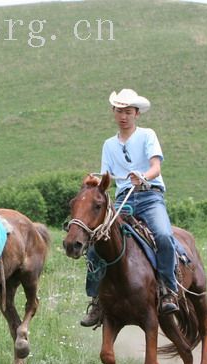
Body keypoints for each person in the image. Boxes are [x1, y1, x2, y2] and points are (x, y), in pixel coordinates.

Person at [81, 89, 179, 327]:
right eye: (119, 111)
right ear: (113, 113)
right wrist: (95, 183)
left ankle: (167, 289)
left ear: (136, 113)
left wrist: (143, 176)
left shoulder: (147, 135)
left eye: (128, 111)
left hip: (149, 196)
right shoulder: (108, 144)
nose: (123, 116)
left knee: (164, 236)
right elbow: (107, 177)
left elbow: (156, 166)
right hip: (122, 199)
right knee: (96, 243)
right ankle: (97, 301)